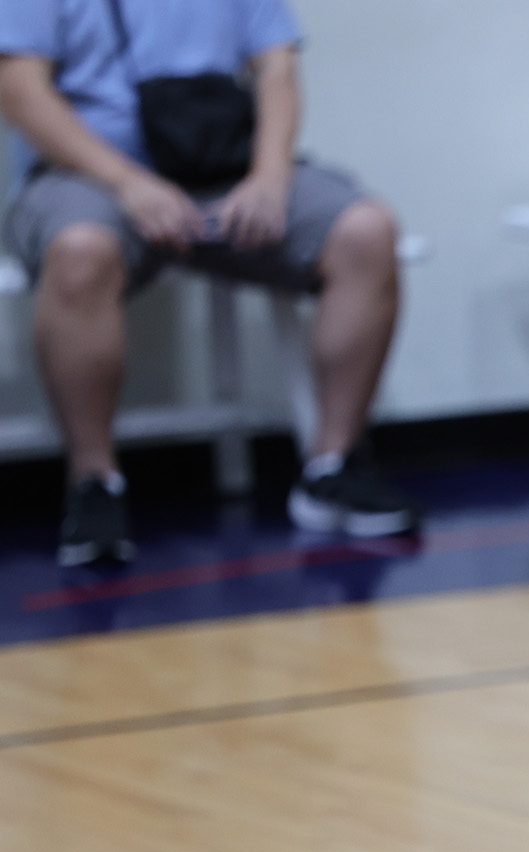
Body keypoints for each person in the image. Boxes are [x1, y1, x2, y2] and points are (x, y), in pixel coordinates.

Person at [0, 0, 419, 568]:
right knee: (80, 252)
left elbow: (277, 68)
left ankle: (335, 465)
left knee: (366, 231)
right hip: (86, 178)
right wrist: (129, 183)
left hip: (223, 169)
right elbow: (20, 91)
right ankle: (94, 482)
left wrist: (270, 177)